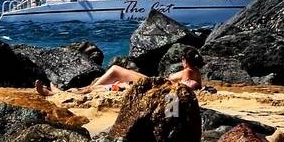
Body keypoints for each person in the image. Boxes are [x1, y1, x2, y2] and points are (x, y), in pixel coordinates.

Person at [40, 46, 204, 96]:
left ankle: (58, 93)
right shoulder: (195, 71)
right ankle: (60, 92)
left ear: (185, 60)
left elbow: (185, 87)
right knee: (105, 85)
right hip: (154, 85)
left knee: (114, 71)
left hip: (153, 85)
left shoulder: (188, 72)